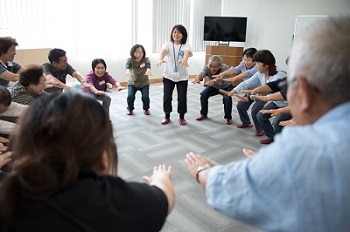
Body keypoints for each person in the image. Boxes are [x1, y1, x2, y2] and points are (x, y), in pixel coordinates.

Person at [185, 16, 350, 231]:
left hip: (276, 116)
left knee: (261, 112)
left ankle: (269, 134)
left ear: (303, 90)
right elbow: (245, 78)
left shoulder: (306, 148)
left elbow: (230, 189)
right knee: (252, 108)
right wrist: (271, 165)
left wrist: (202, 170)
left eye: (293, 81)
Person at [0, 91, 175, 232]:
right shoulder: (116, 202)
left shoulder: (9, 193)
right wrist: (161, 177)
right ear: (101, 147)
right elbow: (165, 196)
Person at [220, 50, 286, 136]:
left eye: (258, 63)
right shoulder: (260, 73)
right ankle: (271, 137)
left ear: (266, 65)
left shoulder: (279, 75)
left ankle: (279, 143)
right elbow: (247, 83)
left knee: (277, 122)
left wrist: (252, 93)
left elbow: (268, 88)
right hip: (276, 102)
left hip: (288, 104)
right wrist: (234, 91)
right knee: (260, 115)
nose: (256, 65)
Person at [156, 24, 193, 126]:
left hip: (182, 77)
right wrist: (160, 58)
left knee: (182, 98)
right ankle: (167, 116)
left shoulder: (186, 46)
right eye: (174, 32)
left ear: (183, 34)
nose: (176, 34)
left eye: (179, 32)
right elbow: (163, 52)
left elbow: (187, 53)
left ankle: (181, 117)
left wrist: (185, 60)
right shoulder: (167, 44)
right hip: (168, 76)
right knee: (167, 97)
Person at [192, 55, 234, 125]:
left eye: (214, 67)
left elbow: (222, 79)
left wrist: (214, 81)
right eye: (210, 66)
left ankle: (228, 117)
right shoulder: (207, 67)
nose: (211, 69)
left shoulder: (225, 68)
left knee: (227, 98)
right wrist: (198, 77)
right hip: (214, 86)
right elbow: (202, 73)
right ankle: (203, 114)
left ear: (220, 66)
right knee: (203, 94)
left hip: (226, 86)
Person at [125, 44, 152, 116]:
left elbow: (148, 66)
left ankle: (146, 109)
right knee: (130, 96)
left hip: (144, 82)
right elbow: (127, 66)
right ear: (133, 53)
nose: (138, 54)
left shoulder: (146, 59)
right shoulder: (130, 60)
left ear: (143, 53)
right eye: (136, 52)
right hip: (133, 82)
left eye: (140, 52)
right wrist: (127, 71)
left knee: (145, 97)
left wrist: (149, 69)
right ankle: (130, 108)